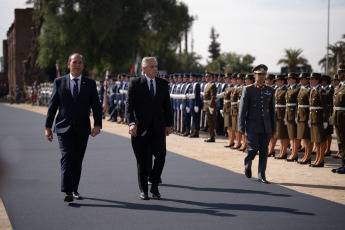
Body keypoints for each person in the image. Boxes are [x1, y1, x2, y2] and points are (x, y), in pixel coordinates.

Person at [45, 53, 102, 202]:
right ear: (68, 64)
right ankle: (67, 190)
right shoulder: (59, 82)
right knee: (67, 157)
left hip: (82, 128)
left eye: (80, 62)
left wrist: (97, 124)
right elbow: (52, 106)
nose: (77, 65)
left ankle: (74, 189)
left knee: (77, 160)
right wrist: (47, 127)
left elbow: (96, 105)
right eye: (74, 62)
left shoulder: (90, 83)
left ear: (83, 65)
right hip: (63, 127)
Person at [126, 57, 173, 200]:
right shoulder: (135, 83)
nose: (155, 69)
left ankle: (153, 182)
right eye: (152, 66)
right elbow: (129, 107)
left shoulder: (163, 84)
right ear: (144, 69)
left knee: (161, 156)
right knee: (142, 160)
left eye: (156, 66)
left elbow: (167, 107)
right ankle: (144, 190)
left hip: (158, 128)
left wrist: (168, 125)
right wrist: (131, 123)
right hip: (140, 129)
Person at [239, 64, 276, 184]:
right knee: (253, 148)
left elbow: (272, 111)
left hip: (266, 126)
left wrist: (274, 128)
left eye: (263, 74)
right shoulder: (248, 89)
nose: (261, 76)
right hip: (252, 125)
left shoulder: (270, 90)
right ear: (254, 76)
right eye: (259, 74)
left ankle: (261, 175)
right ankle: (248, 161)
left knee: (264, 151)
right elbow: (242, 109)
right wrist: (241, 126)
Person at [309, 73, 329, 167]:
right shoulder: (312, 91)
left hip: (320, 119)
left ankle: (321, 160)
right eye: (310, 79)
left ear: (317, 80)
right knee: (316, 140)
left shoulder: (321, 91)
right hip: (313, 118)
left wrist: (325, 120)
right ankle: (317, 159)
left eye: (312, 79)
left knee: (321, 140)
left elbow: (325, 108)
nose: (310, 81)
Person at [330, 64, 345, 174]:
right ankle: (343, 163)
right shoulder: (339, 86)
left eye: (340, 73)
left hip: (343, 117)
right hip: (338, 117)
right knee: (340, 141)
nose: (338, 74)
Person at [271, 74, 289, 158]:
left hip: (282, 114)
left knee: (283, 135)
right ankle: (281, 152)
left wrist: (286, 116)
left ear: (282, 81)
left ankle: (284, 152)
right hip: (277, 114)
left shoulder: (286, 90)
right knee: (279, 134)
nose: (276, 82)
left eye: (278, 81)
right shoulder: (277, 90)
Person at [296, 73, 312, 164]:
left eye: (302, 79)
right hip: (301, 115)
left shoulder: (309, 90)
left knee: (308, 138)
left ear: (307, 80)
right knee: (304, 138)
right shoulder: (302, 90)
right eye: (300, 79)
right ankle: (306, 156)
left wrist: (310, 118)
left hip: (306, 115)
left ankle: (308, 156)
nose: (300, 81)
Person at [203, 72, 218, 142]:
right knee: (209, 121)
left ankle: (212, 136)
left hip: (210, 105)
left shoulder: (212, 85)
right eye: (206, 77)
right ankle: (210, 135)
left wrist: (211, 106)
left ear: (211, 77)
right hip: (206, 105)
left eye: (208, 77)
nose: (206, 78)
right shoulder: (207, 85)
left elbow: (213, 97)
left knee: (211, 121)